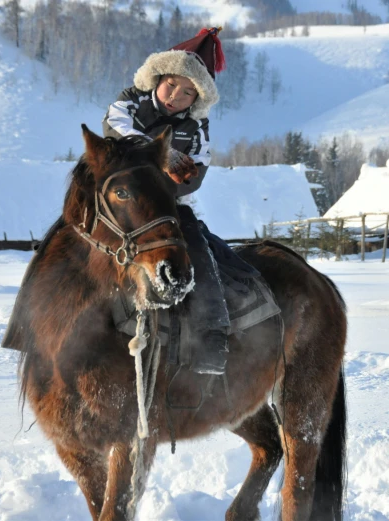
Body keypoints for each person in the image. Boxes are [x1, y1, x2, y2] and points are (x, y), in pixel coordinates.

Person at [102, 28, 230, 375]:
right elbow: (115, 127)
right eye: (172, 84)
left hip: (167, 205)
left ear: (197, 98)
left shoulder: (197, 126)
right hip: (118, 200)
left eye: (189, 92)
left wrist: (181, 179)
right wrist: (163, 155)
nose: (177, 95)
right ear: (158, 77)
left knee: (198, 251)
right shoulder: (131, 100)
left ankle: (212, 336)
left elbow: (200, 167)